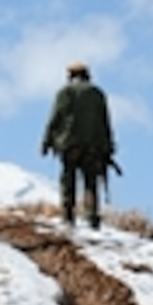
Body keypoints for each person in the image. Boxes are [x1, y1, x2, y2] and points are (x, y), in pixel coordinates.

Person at [41, 61, 116, 230]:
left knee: (68, 180)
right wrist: (109, 146)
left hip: (70, 143)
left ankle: (68, 216)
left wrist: (46, 141)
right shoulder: (97, 94)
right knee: (91, 182)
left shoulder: (65, 92)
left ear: (70, 75)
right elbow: (105, 122)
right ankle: (92, 218)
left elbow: (55, 118)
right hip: (94, 145)